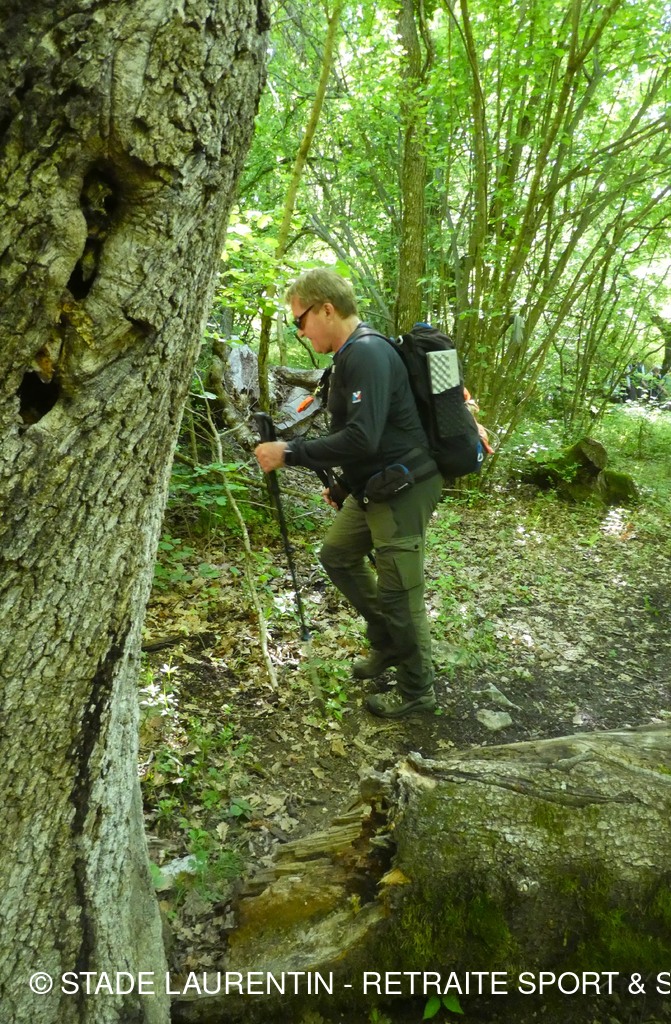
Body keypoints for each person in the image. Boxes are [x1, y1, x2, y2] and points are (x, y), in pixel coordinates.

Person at [254, 268, 443, 719]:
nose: (299, 332)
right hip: (377, 483)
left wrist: (289, 453)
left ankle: (417, 689)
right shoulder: (348, 356)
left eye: (299, 321)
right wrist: (343, 485)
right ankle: (389, 644)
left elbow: (363, 437)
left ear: (326, 309)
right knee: (337, 555)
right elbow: (375, 436)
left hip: (406, 486)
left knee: (400, 593)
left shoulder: (369, 353)